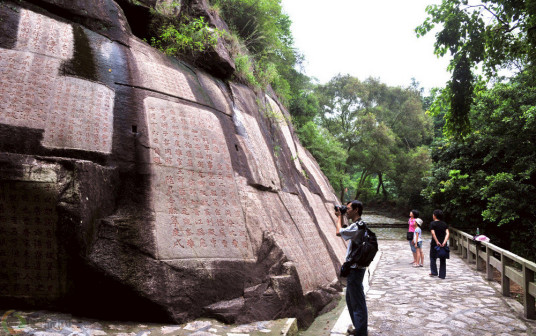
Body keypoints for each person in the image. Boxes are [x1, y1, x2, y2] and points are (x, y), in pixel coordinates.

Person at [335, 200, 368, 336]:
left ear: (356, 210)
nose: (346, 210)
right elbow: (345, 230)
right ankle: (359, 328)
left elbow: (338, 232)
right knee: (350, 299)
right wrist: (343, 215)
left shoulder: (357, 227)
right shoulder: (359, 225)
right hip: (356, 268)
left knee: (357, 301)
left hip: (355, 269)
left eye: (348, 209)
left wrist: (338, 216)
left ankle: (361, 332)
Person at [429, 209, 450, 279]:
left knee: (432, 257)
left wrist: (437, 241)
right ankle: (442, 275)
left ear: (434, 216)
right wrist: (444, 241)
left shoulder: (432, 223)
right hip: (443, 244)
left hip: (435, 244)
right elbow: (447, 233)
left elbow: (433, 233)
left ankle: (434, 272)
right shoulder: (444, 224)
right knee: (442, 258)